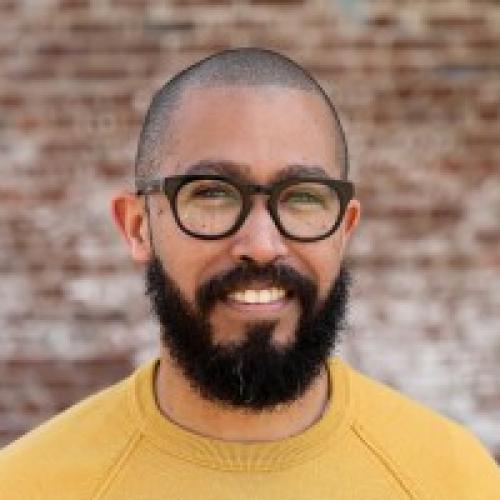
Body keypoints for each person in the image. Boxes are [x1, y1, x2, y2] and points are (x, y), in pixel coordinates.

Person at [0, 48, 498, 500]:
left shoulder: (455, 480)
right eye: (213, 193)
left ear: (344, 230)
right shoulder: (28, 485)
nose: (261, 245)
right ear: (138, 227)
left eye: (302, 197)